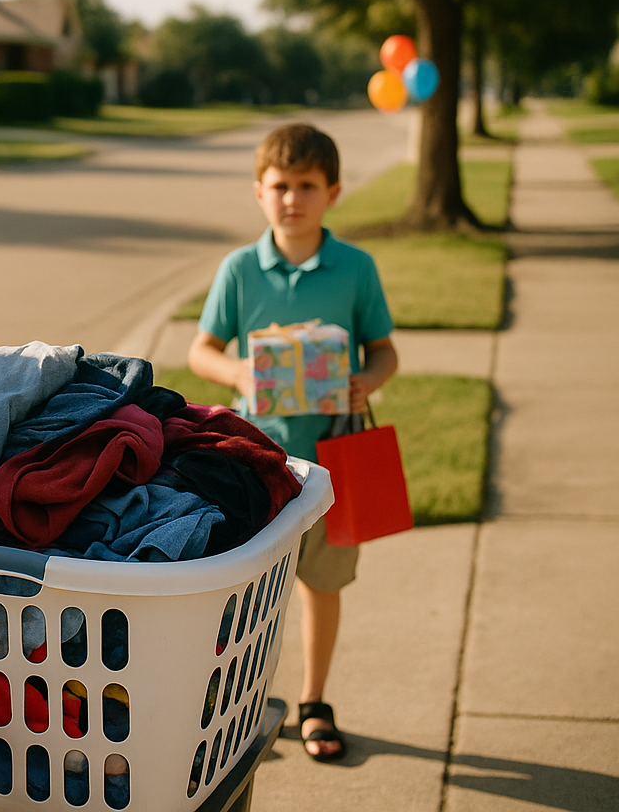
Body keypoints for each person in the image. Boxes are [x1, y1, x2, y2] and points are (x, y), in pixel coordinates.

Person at [187, 123, 398, 762]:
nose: (292, 199)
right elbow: (202, 350)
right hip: (259, 461)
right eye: (280, 186)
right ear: (259, 191)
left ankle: (313, 700)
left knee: (322, 584)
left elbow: (386, 349)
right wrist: (240, 373)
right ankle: (237, 706)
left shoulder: (356, 269)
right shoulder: (241, 270)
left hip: (333, 462)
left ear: (332, 191)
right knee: (246, 595)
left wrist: (369, 380)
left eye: (307, 186)